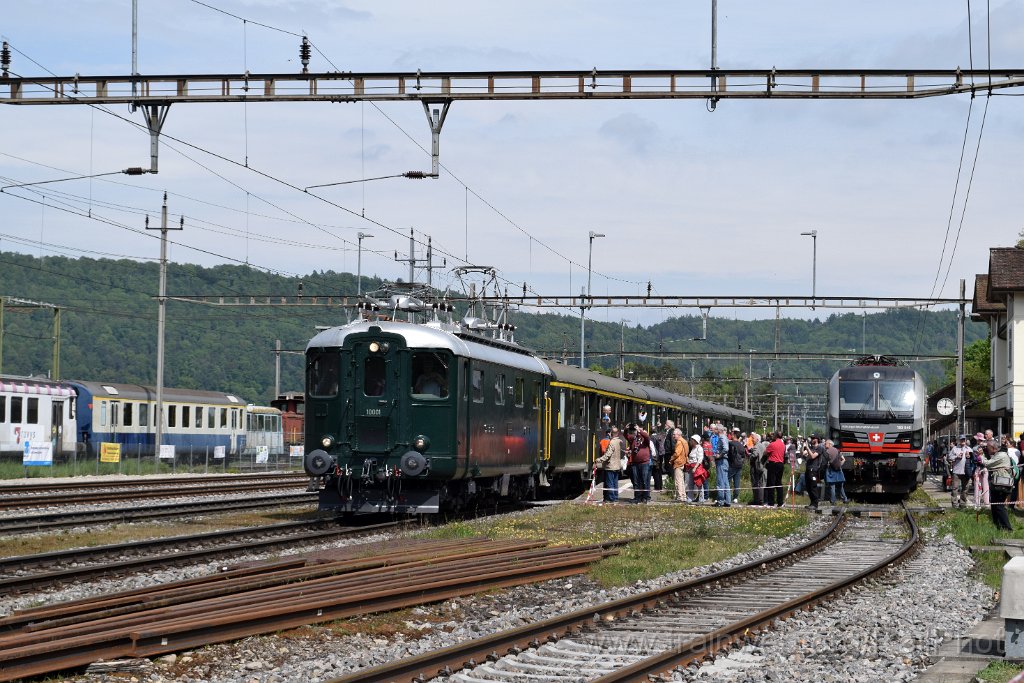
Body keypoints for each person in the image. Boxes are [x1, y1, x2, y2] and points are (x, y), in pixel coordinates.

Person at [981, 439, 1014, 531]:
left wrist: (981, 455)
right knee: (995, 504)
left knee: (999, 506)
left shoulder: (1001, 455)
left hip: (1002, 484)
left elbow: (987, 464)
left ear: (993, 448)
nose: (987, 450)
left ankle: (1007, 528)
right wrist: (985, 454)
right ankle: (998, 525)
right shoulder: (998, 454)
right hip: (997, 483)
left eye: (988, 448)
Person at [594, 426, 624, 503]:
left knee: (610, 483)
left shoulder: (612, 442)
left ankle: (611, 498)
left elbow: (608, 454)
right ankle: (616, 497)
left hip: (610, 466)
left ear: (611, 433)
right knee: (615, 483)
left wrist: (599, 459)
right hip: (617, 466)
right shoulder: (619, 441)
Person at [624, 423, 652, 503]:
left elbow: (647, 436)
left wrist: (640, 429)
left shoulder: (645, 440)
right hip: (635, 463)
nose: (635, 432)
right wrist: (626, 429)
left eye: (636, 431)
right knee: (636, 481)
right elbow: (626, 436)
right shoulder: (633, 439)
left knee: (644, 480)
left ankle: (645, 497)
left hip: (644, 463)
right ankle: (637, 497)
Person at [948, 435, 972, 509]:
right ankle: (954, 504)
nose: (963, 441)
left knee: (965, 488)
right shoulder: (955, 449)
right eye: (961, 440)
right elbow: (949, 458)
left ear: (965, 440)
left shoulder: (969, 449)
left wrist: (969, 456)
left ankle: (963, 503)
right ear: (959, 440)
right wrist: (956, 457)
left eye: (964, 440)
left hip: (966, 472)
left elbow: (974, 459)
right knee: (955, 488)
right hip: (957, 471)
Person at [823, 439, 849, 505]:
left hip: (831, 470)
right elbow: (843, 459)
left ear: (830, 444)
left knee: (832, 486)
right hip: (839, 470)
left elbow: (824, 462)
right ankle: (845, 499)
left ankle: (833, 501)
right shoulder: (837, 450)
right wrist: (840, 465)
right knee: (840, 486)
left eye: (826, 443)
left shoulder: (827, 451)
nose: (824, 445)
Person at [764, 432, 786, 507]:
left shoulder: (772, 444)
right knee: (779, 483)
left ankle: (771, 502)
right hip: (781, 464)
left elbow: (765, 453)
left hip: (773, 464)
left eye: (773, 435)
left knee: (771, 483)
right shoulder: (783, 445)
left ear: (776, 436)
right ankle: (780, 502)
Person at [803, 439, 826, 510]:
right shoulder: (811, 447)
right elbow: (803, 454)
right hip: (808, 468)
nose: (812, 439)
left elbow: (813, 456)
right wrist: (803, 446)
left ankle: (815, 504)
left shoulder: (819, 448)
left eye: (813, 438)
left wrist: (807, 448)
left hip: (814, 469)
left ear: (817, 439)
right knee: (808, 486)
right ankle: (812, 503)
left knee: (813, 486)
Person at [713, 424, 731, 507]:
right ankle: (727, 501)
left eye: (715, 429)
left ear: (718, 430)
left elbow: (726, 448)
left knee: (720, 482)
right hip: (724, 461)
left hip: (721, 461)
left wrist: (719, 455)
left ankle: (720, 501)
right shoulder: (724, 437)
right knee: (725, 481)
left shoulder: (721, 437)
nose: (714, 430)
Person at [670, 428, 689, 502]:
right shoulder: (684, 441)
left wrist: (671, 459)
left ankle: (680, 497)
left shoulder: (679, 442)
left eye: (674, 434)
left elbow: (677, 453)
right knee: (681, 480)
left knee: (678, 481)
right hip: (683, 461)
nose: (673, 436)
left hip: (678, 462)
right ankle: (683, 496)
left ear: (679, 435)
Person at [687, 434, 707, 503]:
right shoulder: (693, 448)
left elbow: (700, 459)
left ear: (695, 441)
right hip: (691, 467)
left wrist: (695, 468)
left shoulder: (699, 448)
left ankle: (701, 498)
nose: (690, 441)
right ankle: (690, 498)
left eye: (691, 440)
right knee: (690, 484)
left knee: (699, 483)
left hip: (697, 468)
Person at [749, 432, 767, 506]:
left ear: (757, 439)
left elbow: (754, 455)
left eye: (753, 438)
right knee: (761, 483)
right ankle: (761, 499)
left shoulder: (756, 446)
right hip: (763, 467)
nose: (752, 440)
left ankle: (758, 500)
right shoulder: (762, 446)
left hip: (757, 468)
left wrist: (750, 457)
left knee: (756, 484)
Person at [728, 429, 746, 504]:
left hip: (732, 465)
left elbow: (729, 454)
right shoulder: (741, 445)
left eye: (732, 434)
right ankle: (735, 497)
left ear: (734, 435)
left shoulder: (731, 444)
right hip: (739, 465)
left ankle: (727, 496)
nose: (731, 436)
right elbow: (743, 455)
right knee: (737, 482)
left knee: (727, 480)